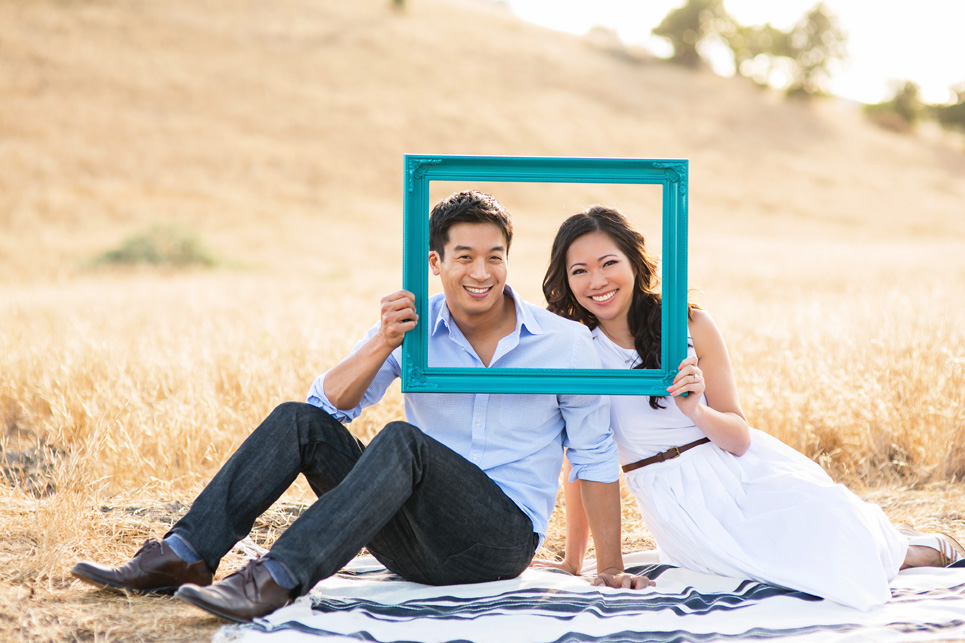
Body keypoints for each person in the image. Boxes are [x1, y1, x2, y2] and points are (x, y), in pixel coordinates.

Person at [71, 191, 650, 624]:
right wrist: (383, 342)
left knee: (403, 441)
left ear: (507, 261)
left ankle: (274, 578)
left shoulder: (562, 343)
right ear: (435, 262)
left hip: (496, 542)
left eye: (495, 257)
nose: (481, 273)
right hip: (409, 544)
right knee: (298, 419)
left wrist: (607, 564)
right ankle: (183, 555)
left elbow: (595, 456)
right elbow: (328, 407)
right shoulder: (413, 327)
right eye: (465, 256)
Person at [538, 205, 964, 611]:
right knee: (779, 572)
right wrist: (576, 561)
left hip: (740, 472)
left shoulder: (690, 326)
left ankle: (913, 549)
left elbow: (739, 437)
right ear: (567, 280)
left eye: (608, 263)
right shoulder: (578, 350)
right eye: (580, 271)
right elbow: (584, 460)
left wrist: (696, 412)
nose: (597, 280)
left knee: (836, 536)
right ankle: (886, 542)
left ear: (633, 263)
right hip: (672, 502)